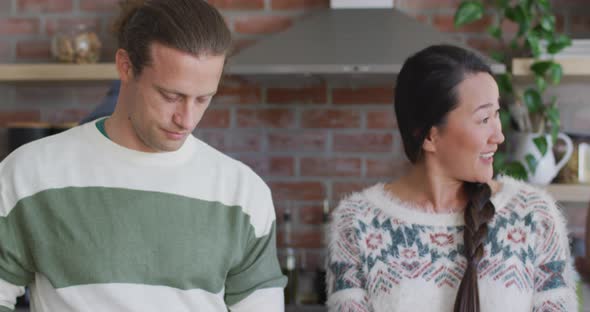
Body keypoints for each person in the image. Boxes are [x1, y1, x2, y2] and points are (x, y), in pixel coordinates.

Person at [0, 0, 286, 311]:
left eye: (203, 99)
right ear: (125, 66)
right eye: (171, 96)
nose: (187, 119)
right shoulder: (29, 173)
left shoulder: (243, 193)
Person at [326, 45, 578, 311]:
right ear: (429, 136)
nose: (499, 136)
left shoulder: (533, 215)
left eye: (497, 115)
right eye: (483, 119)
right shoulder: (357, 223)